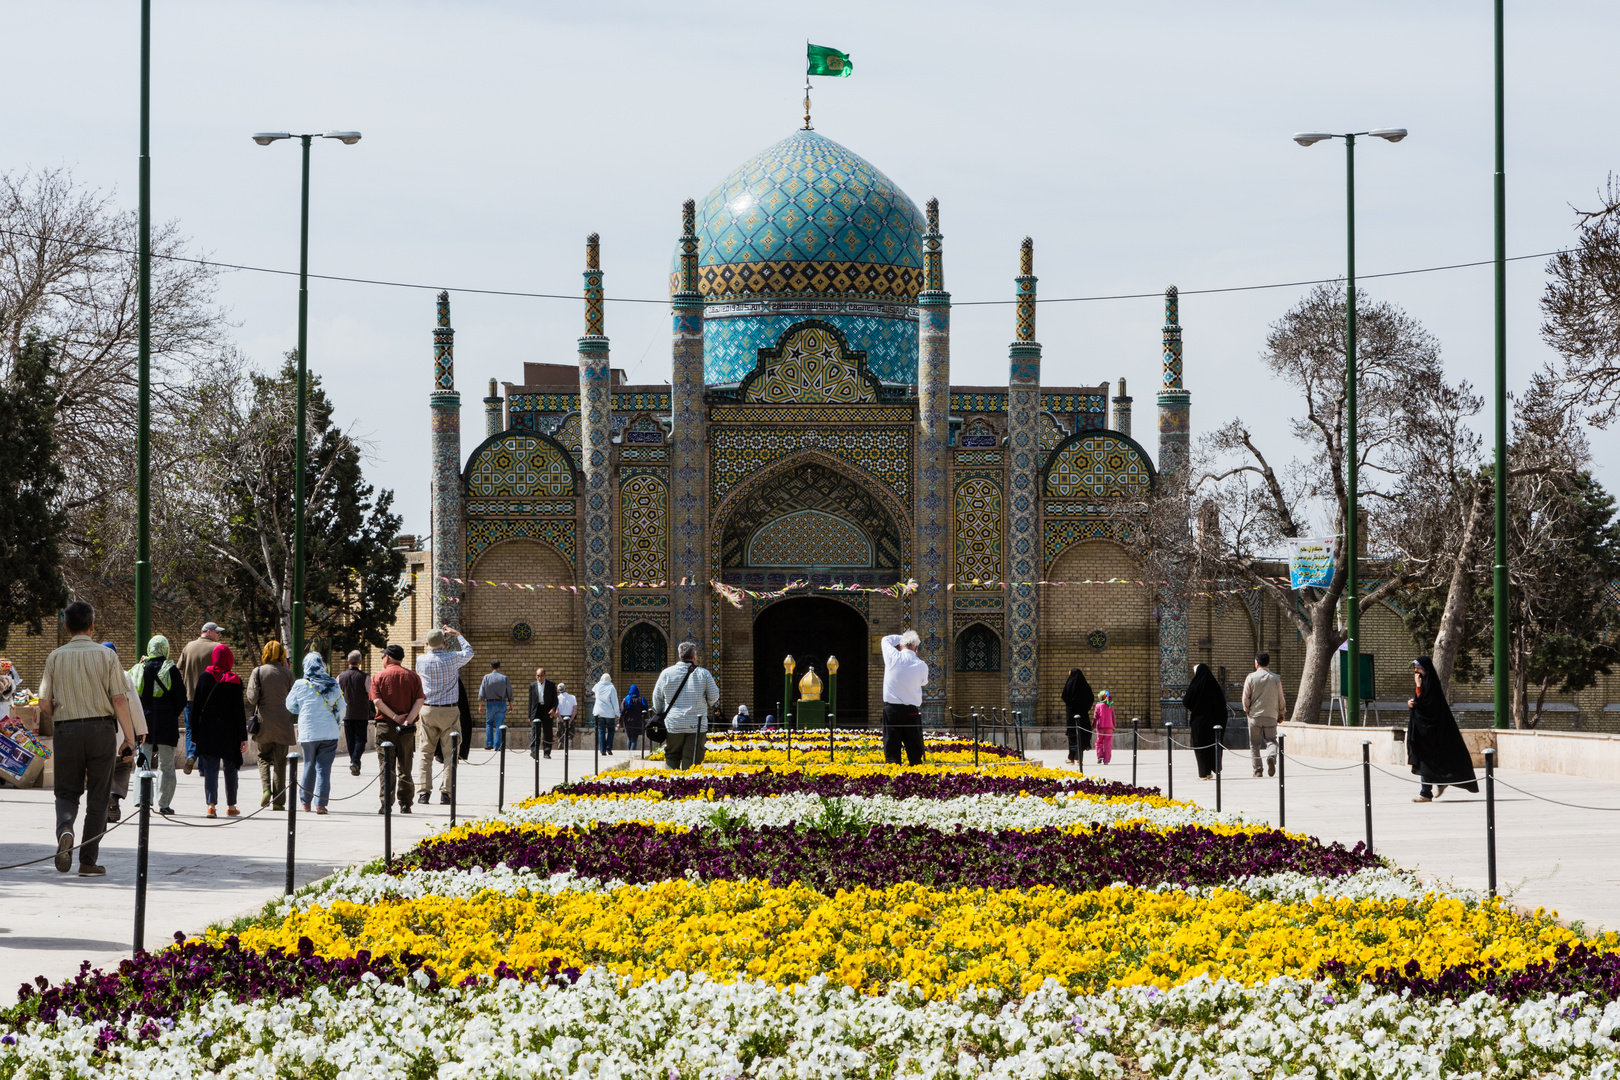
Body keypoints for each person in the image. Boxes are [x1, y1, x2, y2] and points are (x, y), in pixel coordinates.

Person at [38, 601, 136, 876]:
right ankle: (88, 861)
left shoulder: (55, 657)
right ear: (92, 625)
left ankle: (65, 829)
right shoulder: (107, 656)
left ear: (66, 627)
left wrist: (60, 708)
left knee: (66, 792)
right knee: (99, 796)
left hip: (66, 731)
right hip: (101, 731)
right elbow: (119, 698)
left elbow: (44, 703)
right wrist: (129, 738)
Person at [413, 625, 473, 805]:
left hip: (428, 709)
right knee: (450, 753)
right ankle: (446, 792)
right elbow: (469, 652)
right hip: (450, 710)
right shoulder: (452, 658)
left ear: (427, 643)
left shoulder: (421, 660)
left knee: (425, 752)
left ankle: (424, 792)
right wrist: (458, 635)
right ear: (445, 643)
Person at [1407, 656, 1480, 802]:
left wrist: (1418, 691)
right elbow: (1420, 703)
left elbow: (1427, 706)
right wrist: (1412, 702)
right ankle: (1436, 785)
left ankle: (1426, 792)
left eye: (1418, 668)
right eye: (1415, 668)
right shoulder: (1424, 682)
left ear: (1425, 668)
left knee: (1427, 760)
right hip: (1425, 732)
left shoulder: (1431, 685)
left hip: (1433, 731)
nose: (1416, 671)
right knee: (1428, 760)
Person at [191, 642, 247, 818]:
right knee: (231, 769)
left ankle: (211, 806)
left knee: (210, 769)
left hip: (208, 731)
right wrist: (243, 737)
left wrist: (194, 733)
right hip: (229, 732)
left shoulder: (204, 678)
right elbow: (239, 711)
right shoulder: (235, 680)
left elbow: (196, 708)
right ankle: (231, 805)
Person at [131, 635, 186, 815]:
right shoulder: (171, 669)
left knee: (142, 762)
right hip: (166, 721)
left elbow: (130, 693)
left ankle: (142, 801)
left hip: (144, 720)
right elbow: (182, 699)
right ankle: (164, 804)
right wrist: (170, 712)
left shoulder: (139, 669)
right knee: (167, 764)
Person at [369, 644, 424, 814]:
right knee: (405, 765)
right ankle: (406, 803)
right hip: (406, 729)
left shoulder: (378, 676)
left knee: (386, 766)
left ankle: (386, 803)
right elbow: (420, 700)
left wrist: (394, 716)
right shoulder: (413, 677)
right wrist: (407, 719)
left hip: (386, 726)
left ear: (388, 657)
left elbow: (377, 702)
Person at [286, 653, 343, 814]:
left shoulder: (300, 684)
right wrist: (337, 722)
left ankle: (306, 802)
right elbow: (341, 706)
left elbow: (290, 705)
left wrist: (302, 710)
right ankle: (321, 804)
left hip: (308, 731)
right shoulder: (332, 683)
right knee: (324, 769)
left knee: (309, 765)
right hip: (329, 732)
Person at [651, 640, 719, 770]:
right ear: (694, 656)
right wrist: (708, 702)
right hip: (696, 724)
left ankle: (672, 786)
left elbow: (657, 697)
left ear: (679, 655)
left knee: (672, 756)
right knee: (692, 758)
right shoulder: (703, 674)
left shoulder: (666, 673)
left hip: (674, 723)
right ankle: (689, 787)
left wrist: (660, 712)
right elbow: (714, 696)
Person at [101, 642, 149, 823]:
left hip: (97, 730)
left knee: (101, 768)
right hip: (121, 730)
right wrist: (140, 730)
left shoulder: (92, 675)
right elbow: (134, 705)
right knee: (122, 765)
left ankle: (103, 802)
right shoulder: (124, 675)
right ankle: (115, 794)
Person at [246, 641, 296, 811]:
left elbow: (252, 697)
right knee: (281, 761)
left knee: (263, 757)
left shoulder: (258, 671)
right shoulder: (288, 674)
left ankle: (266, 789)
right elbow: (294, 699)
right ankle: (279, 801)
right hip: (284, 721)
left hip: (264, 722)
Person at [176, 621, 224, 773]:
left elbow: (179, 670)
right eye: (217, 632)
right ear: (209, 632)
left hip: (190, 696)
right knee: (207, 730)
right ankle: (204, 768)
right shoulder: (217, 648)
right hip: (211, 698)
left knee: (191, 727)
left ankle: (191, 755)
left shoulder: (188, 647)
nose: (219, 635)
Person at [879, 631, 928, 766]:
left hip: (891, 710)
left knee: (892, 747)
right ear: (916, 648)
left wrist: (903, 638)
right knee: (914, 749)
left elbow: (886, 639)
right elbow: (923, 682)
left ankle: (893, 777)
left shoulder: (893, 657)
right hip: (911, 712)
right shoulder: (921, 665)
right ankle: (916, 779)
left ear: (901, 646)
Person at [1241, 653, 1286, 778]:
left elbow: (1245, 696)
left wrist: (1246, 709)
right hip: (1271, 715)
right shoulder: (1275, 678)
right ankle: (1271, 756)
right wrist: (1281, 712)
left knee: (1254, 744)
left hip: (1255, 715)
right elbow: (1280, 697)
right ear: (1268, 662)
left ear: (1256, 662)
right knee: (1271, 741)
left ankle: (1258, 770)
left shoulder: (1251, 677)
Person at [1184, 663, 1227, 780]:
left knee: (1200, 747)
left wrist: (1195, 707)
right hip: (1213, 724)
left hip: (1199, 721)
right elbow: (1222, 707)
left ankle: (1203, 773)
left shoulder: (1195, 685)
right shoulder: (1214, 686)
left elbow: (1186, 701)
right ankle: (1209, 770)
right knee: (1211, 746)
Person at [338, 651, 372, 777]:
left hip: (346, 714)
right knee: (361, 740)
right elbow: (371, 694)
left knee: (350, 740)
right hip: (361, 713)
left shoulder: (341, 677)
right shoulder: (365, 677)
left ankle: (354, 762)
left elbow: (337, 694)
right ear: (360, 662)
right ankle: (355, 761)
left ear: (348, 661)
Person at [1061, 668, 1096, 765]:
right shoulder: (1085, 687)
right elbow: (1091, 698)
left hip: (1071, 716)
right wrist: (1084, 708)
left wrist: (1071, 706)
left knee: (1072, 736)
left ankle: (1072, 758)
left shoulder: (1068, 686)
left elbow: (1064, 696)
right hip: (1082, 716)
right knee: (1081, 735)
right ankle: (1077, 758)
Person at [478, 661, 512, 752]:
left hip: (490, 703)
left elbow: (482, 692)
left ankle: (489, 744)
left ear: (491, 667)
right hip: (501, 702)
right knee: (499, 724)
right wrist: (511, 704)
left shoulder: (486, 677)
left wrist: (480, 705)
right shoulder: (504, 678)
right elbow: (509, 692)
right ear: (499, 667)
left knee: (489, 723)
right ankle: (497, 746)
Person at [529, 667, 559, 759]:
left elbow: (555, 700)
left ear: (545, 675)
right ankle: (534, 751)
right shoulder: (533, 685)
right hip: (536, 710)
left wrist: (553, 709)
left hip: (547, 710)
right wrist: (529, 715)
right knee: (535, 731)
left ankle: (546, 752)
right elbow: (530, 701)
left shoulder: (551, 685)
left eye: (541, 676)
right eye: (538, 676)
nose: (539, 678)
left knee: (547, 732)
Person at [592, 671, 620, 755]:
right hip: (609, 713)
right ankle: (608, 747)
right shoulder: (611, 688)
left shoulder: (597, 686)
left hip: (599, 713)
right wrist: (617, 713)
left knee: (601, 731)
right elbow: (615, 702)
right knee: (611, 730)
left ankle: (602, 750)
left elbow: (593, 691)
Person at [621, 683, 648, 751]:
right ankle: (632, 754)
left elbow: (622, 711)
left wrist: (619, 722)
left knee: (629, 738)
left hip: (628, 721)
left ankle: (628, 753)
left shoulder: (626, 699)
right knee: (634, 738)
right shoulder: (641, 699)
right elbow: (645, 710)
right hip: (637, 721)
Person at [1093, 690, 1116, 765]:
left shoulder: (1098, 706)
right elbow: (1113, 717)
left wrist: (1093, 725)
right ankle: (1106, 760)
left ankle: (1100, 756)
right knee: (1108, 744)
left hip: (1100, 727)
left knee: (1099, 742)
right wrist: (1114, 725)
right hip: (1109, 727)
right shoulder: (1110, 706)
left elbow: (1095, 717)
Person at [556, 682, 578, 751]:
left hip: (560, 718)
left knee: (560, 735)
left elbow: (557, 712)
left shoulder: (557, 698)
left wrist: (562, 721)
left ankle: (560, 748)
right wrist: (570, 720)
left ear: (558, 690)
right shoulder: (573, 697)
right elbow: (575, 711)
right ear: (565, 689)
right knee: (570, 736)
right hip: (570, 717)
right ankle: (570, 749)